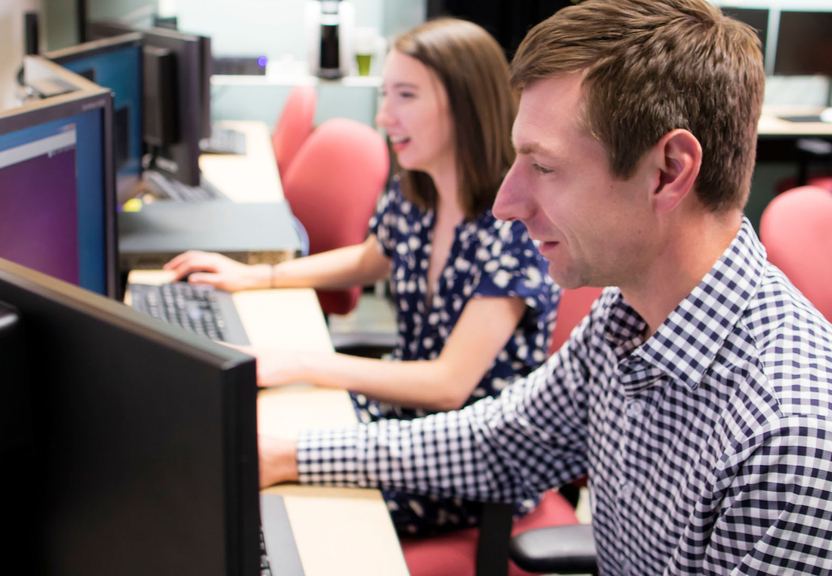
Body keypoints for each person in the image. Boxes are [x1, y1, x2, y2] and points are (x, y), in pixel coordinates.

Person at [257, 0, 832, 573]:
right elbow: (502, 440)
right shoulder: (626, 316)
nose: (505, 204)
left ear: (668, 172)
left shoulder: (787, 440)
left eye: (545, 167)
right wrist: (288, 454)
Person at [165, 18, 559, 535]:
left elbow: (447, 385)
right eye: (385, 94)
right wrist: (256, 277)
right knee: (233, 427)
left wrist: (305, 363)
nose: (384, 115)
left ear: (465, 103)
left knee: (259, 501)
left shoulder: (514, 224)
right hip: (402, 417)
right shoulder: (419, 187)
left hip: (465, 459)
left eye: (406, 95)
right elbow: (370, 259)